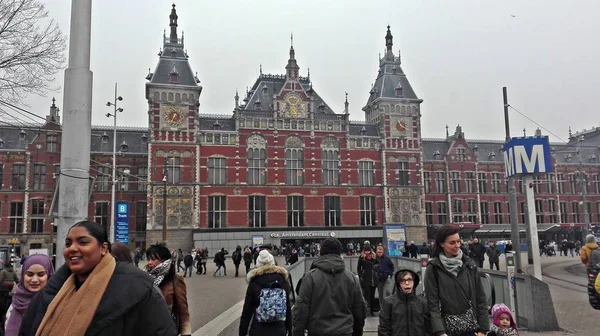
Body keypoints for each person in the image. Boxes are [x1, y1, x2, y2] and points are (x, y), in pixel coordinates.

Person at [19, 221, 176, 336]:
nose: (72, 248)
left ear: (103, 248)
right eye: (68, 243)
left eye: (83, 242)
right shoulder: (50, 293)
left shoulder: (140, 290)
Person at [292, 237, 366, 336]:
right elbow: (359, 310)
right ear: (339, 253)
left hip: (317, 331)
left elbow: (301, 311)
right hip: (344, 331)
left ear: (321, 253)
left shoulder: (310, 277)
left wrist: (297, 333)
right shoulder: (351, 278)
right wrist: (357, 332)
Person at [424, 224, 489, 336]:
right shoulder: (433, 268)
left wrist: (483, 329)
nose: (457, 245)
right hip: (446, 330)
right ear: (441, 244)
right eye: (452, 243)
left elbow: (480, 298)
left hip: (471, 328)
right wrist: (440, 331)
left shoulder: (470, 265)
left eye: (459, 241)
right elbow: (432, 303)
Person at [239, 250, 291, 336]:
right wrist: (289, 328)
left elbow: (247, 311)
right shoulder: (282, 280)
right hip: (279, 329)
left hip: (258, 330)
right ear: (272, 262)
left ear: (258, 264)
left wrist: (242, 332)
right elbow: (287, 307)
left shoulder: (254, 281)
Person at [146, 243, 192, 336]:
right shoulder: (145, 278)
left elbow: (183, 312)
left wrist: (186, 333)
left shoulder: (175, 280)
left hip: (166, 330)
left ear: (165, 261)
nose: (150, 262)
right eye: (148, 259)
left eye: (154, 259)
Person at [5, 254, 54, 336]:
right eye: (30, 274)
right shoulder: (16, 303)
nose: (34, 280)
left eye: (41, 274)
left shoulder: (56, 303)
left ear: (49, 276)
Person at [377, 269, 430, 336]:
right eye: (402, 281)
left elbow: (429, 328)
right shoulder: (388, 302)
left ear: (414, 282)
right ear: (398, 284)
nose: (407, 283)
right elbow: (384, 328)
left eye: (410, 280)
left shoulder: (423, 303)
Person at [357, 246, 378, 316]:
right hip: (365, 278)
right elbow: (358, 267)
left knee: (372, 295)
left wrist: (377, 271)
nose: (367, 252)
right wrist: (360, 276)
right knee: (366, 295)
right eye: (366, 251)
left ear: (370, 251)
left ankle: (371, 310)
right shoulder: (362, 257)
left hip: (373, 279)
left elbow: (378, 264)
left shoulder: (374, 257)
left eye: (368, 251)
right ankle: (367, 310)